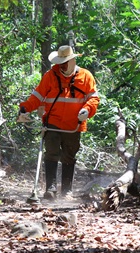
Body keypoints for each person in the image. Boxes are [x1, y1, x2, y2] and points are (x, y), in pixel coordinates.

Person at [18, 44, 100, 199]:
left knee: (69, 156)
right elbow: (37, 96)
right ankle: (51, 189)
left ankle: (67, 192)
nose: (61, 66)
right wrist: (25, 108)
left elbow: (93, 98)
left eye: (64, 62)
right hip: (52, 123)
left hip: (73, 125)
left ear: (72, 61)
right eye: (59, 63)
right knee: (51, 154)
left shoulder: (86, 76)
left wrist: (87, 110)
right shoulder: (51, 76)